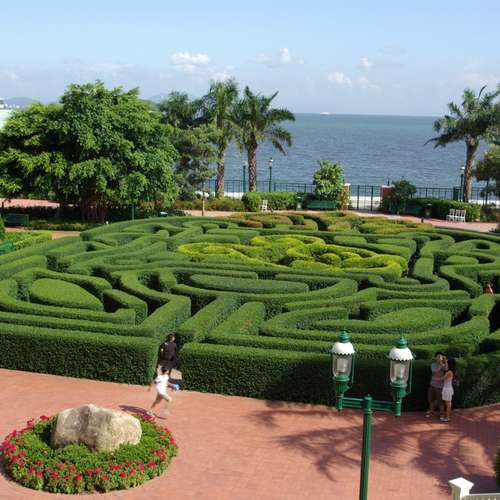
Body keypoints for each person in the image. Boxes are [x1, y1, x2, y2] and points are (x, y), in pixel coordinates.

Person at [425, 352, 448, 418]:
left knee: (440, 402)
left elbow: (446, 369)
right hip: (432, 385)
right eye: (437, 357)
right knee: (431, 400)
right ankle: (431, 412)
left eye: (440, 357)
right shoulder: (433, 365)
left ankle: (441, 414)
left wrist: (445, 361)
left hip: (440, 387)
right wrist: (440, 365)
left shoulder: (444, 365)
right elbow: (434, 372)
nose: (438, 358)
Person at [440, 358, 456, 422]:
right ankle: (447, 417)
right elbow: (444, 366)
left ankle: (448, 417)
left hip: (447, 389)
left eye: (447, 363)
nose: (446, 364)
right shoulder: (450, 371)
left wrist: (435, 378)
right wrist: (442, 361)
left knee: (448, 403)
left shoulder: (449, 372)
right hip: (447, 388)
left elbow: (442, 378)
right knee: (447, 403)